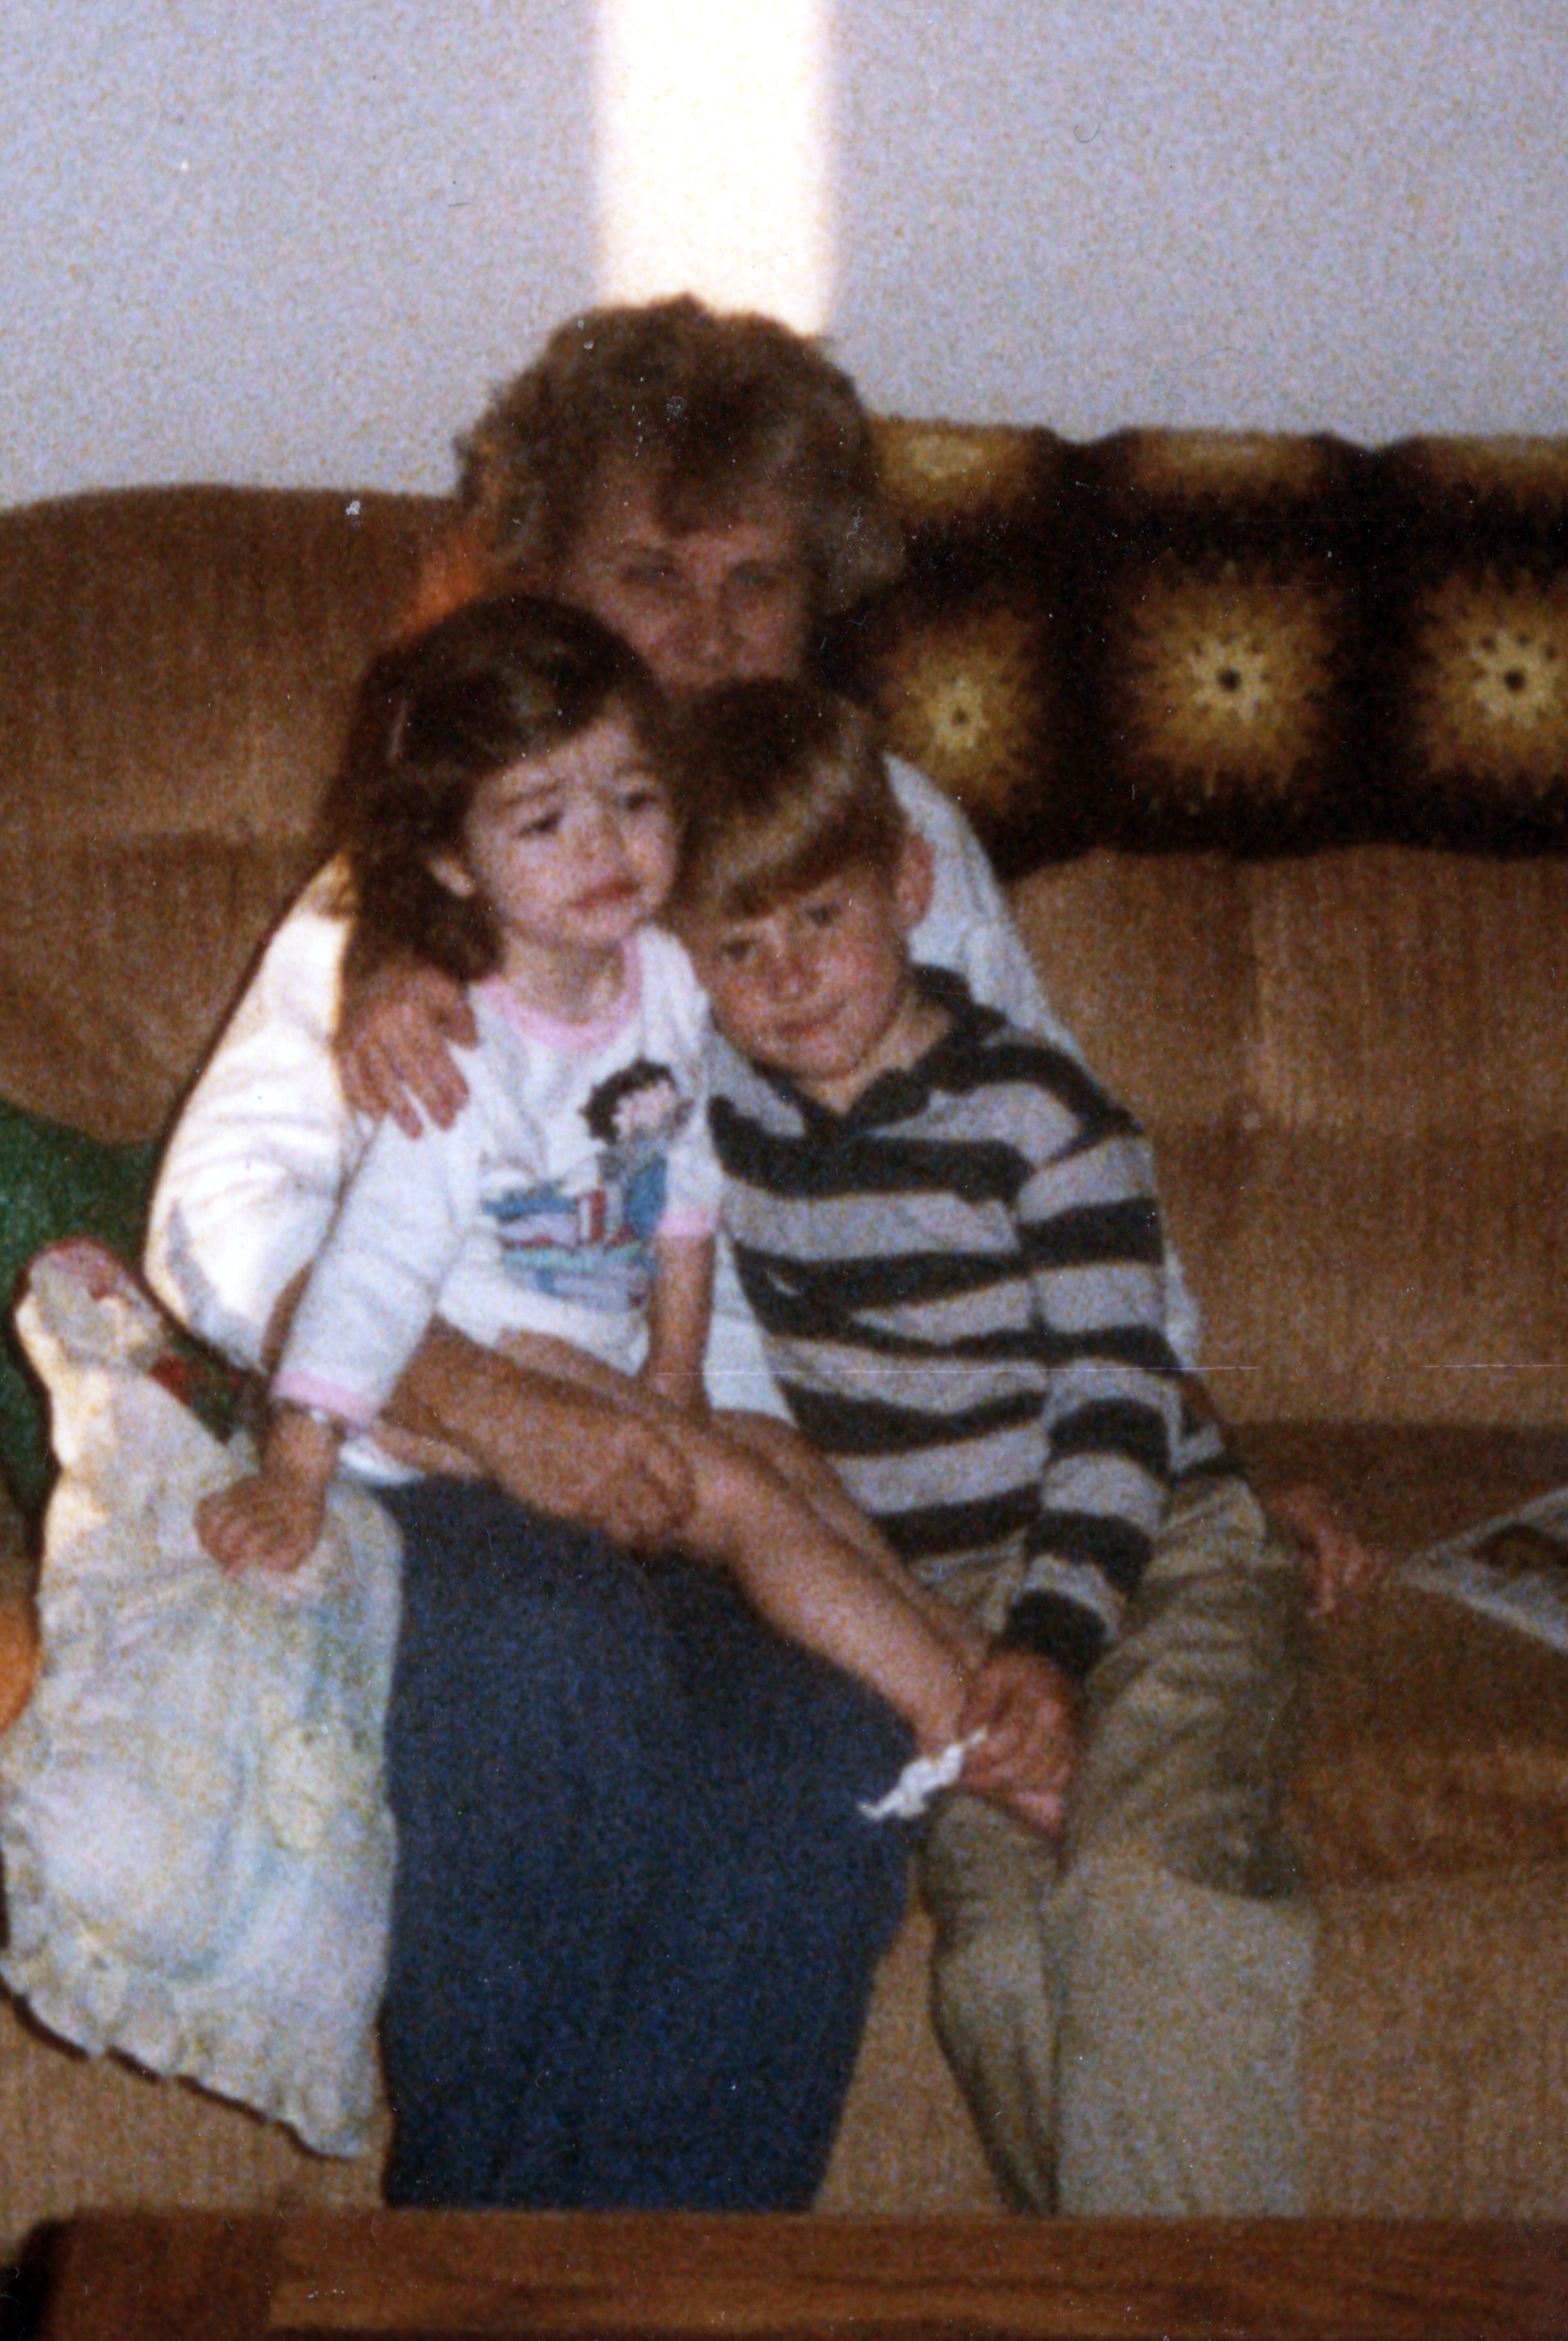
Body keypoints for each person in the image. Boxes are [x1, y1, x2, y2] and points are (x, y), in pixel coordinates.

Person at [148, 295, 1371, 2211]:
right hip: (481, 1448)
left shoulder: (881, 836)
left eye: (757, 579)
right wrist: (478, 1403)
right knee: (548, 1660)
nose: (708, 630)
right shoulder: (460, 857)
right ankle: (482, 2264)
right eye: (649, 574)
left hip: (799, 1486)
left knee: (823, 1761)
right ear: (547, 590)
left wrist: (1190, 1446)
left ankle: (675, 2286)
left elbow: (1049, 1170)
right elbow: (215, 1215)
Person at [668, 675, 1317, 2217]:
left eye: (821, 918)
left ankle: (1209, 2309)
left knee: (1146, 1893)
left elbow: (1119, 1398)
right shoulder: (711, 1117)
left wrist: (1049, 1639)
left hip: (1154, 1555)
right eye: (738, 949)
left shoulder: (1043, 1117)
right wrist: (406, 991)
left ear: (910, 883)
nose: (789, 978)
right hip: (951, 1605)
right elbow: (533, 1032)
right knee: (1001, 1965)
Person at [197, 592, 1011, 1819]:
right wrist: (295, 1472)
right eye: (546, 821)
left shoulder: (668, 975)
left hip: (603, 1358)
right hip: (469, 1362)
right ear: (454, 860)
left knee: (782, 1462)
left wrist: (676, 1376)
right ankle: (972, 1742)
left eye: (635, 802)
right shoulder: (451, 1041)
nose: (604, 847)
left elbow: (681, 1173)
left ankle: (972, 1660)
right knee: (743, 1505)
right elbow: (369, 1267)